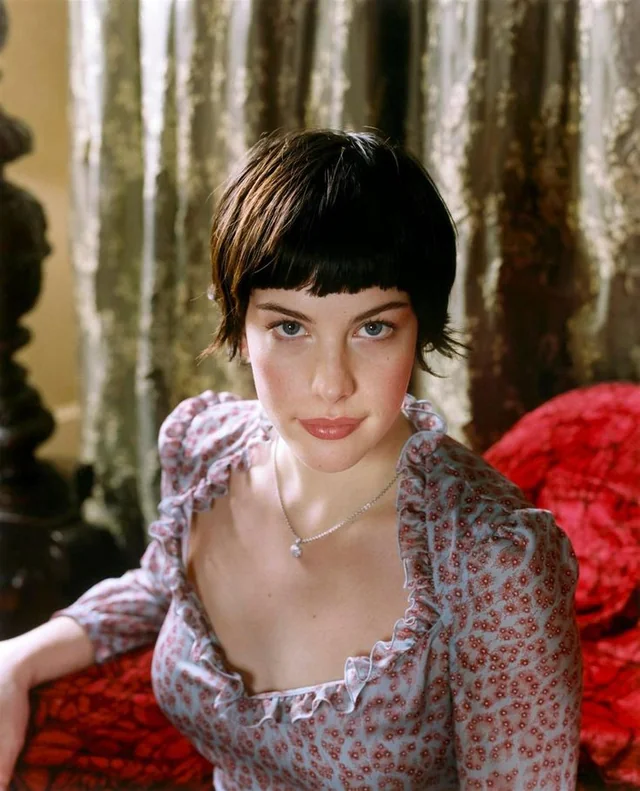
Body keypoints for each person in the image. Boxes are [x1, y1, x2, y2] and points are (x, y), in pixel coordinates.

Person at [0, 129, 582, 790]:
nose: (331, 384)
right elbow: (163, 585)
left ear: (419, 327)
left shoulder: (492, 561)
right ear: (239, 326)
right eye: (289, 326)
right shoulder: (204, 452)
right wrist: (16, 659)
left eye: (373, 327)